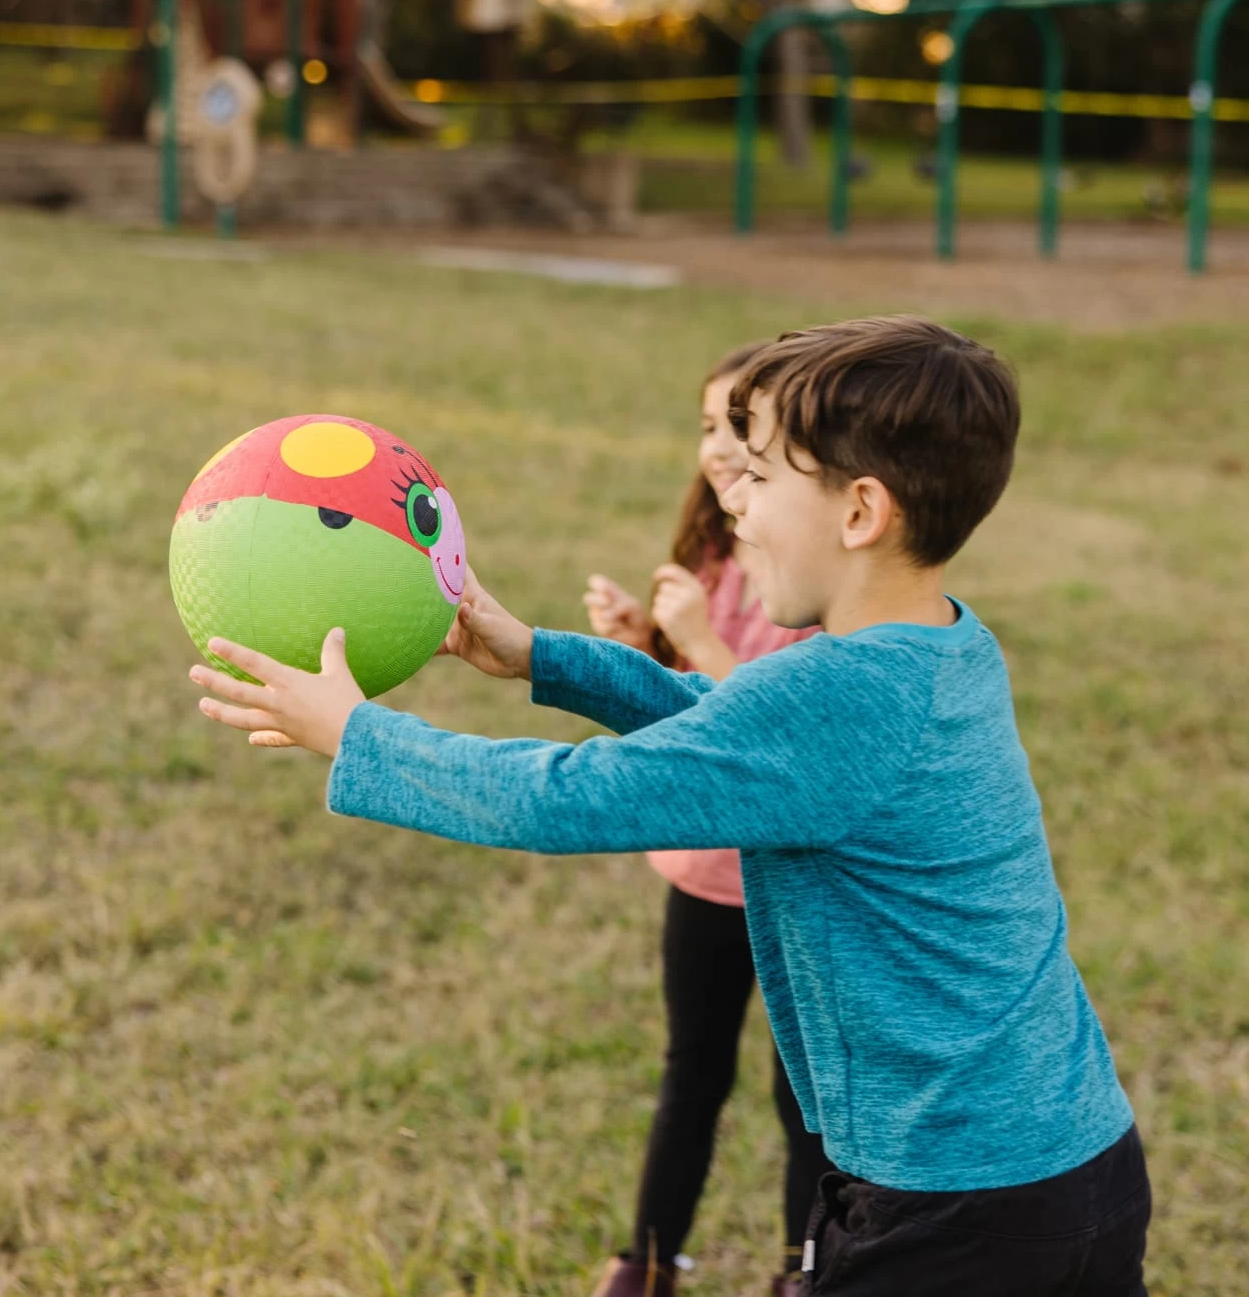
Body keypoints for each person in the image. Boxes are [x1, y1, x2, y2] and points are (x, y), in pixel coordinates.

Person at [191, 317, 1151, 1296]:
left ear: (861, 511)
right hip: (1077, 1159)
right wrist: (542, 656)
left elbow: (560, 801)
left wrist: (358, 734)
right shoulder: (942, 650)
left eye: (762, 479)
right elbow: (735, 728)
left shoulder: (834, 695)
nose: (733, 508)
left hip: (955, 1206)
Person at [582, 341, 830, 1297]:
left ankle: (802, 1271)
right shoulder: (713, 553)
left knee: (800, 1092)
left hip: (792, 873)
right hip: (704, 870)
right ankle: (648, 1260)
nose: (718, 447)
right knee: (692, 1071)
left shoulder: (805, 577)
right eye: (705, 426)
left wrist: (695, 637)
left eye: (740, 427)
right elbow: (689, 715)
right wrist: (645, 645)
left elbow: (781, 727)